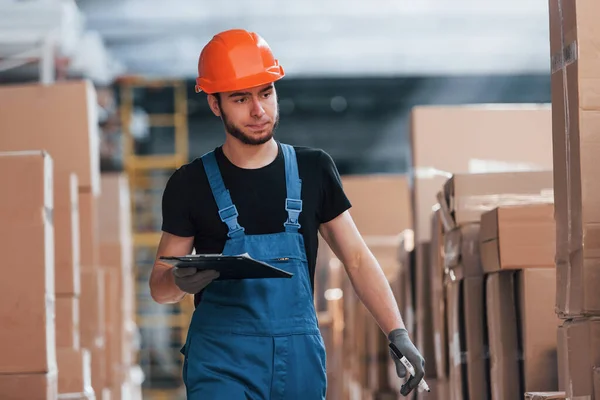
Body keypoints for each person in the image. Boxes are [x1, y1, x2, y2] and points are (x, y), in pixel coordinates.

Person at [149, 28, 425, 399]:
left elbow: (357, 260)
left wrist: (397, 332)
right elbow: (159, 284)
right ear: (215, 104)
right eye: (240, 99)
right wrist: (180, 282)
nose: (259, 110)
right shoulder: (190, 184)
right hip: (220, 362)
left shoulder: (314, 170)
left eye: (266, 93)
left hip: (298, 362)